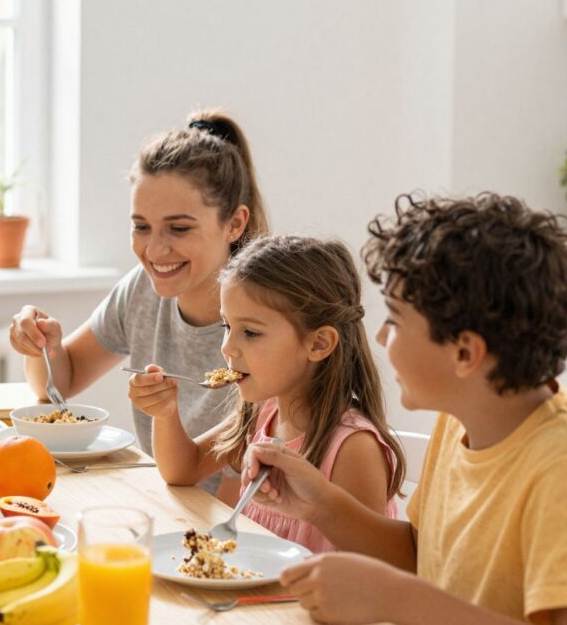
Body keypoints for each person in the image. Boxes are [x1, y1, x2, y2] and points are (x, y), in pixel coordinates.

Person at [244, 194, 567, 625]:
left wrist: (399, 601)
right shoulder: (461, 419)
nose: (381, 337)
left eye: (394, 320)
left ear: (465, 352)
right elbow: (428, 556)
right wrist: (323, 505)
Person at [8, 110, 267, 496]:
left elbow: (237, 505)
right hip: (170, 499)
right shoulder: (142, 290)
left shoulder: (263, 324)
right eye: (141, 226)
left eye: (179, 228)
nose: (155, 249)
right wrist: (44, 345)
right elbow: (58, 385)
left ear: (234, 223)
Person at [130, 235, 403, 551]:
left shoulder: (353, 448)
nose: (227, 347)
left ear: (318, 344)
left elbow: (369, 571)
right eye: (226, 327)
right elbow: (183, 470)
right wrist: (165, 413)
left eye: (250, 332)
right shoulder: (264, 413)